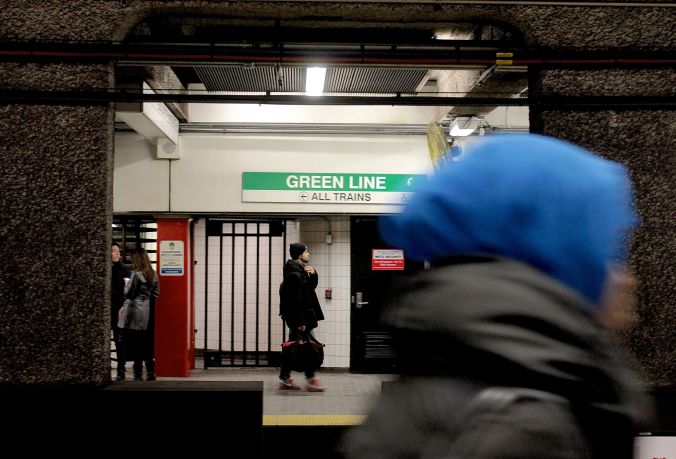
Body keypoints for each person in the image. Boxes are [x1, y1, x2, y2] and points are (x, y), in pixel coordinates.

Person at [341, 133, 653, 458]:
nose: (626, 278)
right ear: (561, 256)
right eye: (609, 248)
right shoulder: (521, 425)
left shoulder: (475, 382)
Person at [278, 242, 326, 392]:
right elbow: (296, 299)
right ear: (299, 255)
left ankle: (286, 378)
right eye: (306, 252)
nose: (308, 254)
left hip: (300, 318)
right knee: (305, 347)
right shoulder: (294, 274)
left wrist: (314, 274)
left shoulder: (298, 271)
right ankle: (310, 380)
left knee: (294, 346)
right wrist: (300, 321)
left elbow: (308, 290)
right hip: (300, 319)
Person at [117, 247, 160, 381]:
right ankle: (150, 371)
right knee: (146, 342)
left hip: (133, 312)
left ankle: (137, 372)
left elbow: (128, 293)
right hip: (147, 311)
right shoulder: (154, 273)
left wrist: (126, 284)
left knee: (134, 342)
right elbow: (157, 293)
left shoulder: (136, 274)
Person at [111, 242, 130, 381]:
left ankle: (121, 369)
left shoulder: (124, 269)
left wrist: (124, 306)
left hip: (118, 309)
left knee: (119, 340)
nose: (117, 253)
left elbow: (128, 290)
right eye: (114, 250)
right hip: (107, 309)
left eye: (118, 250)